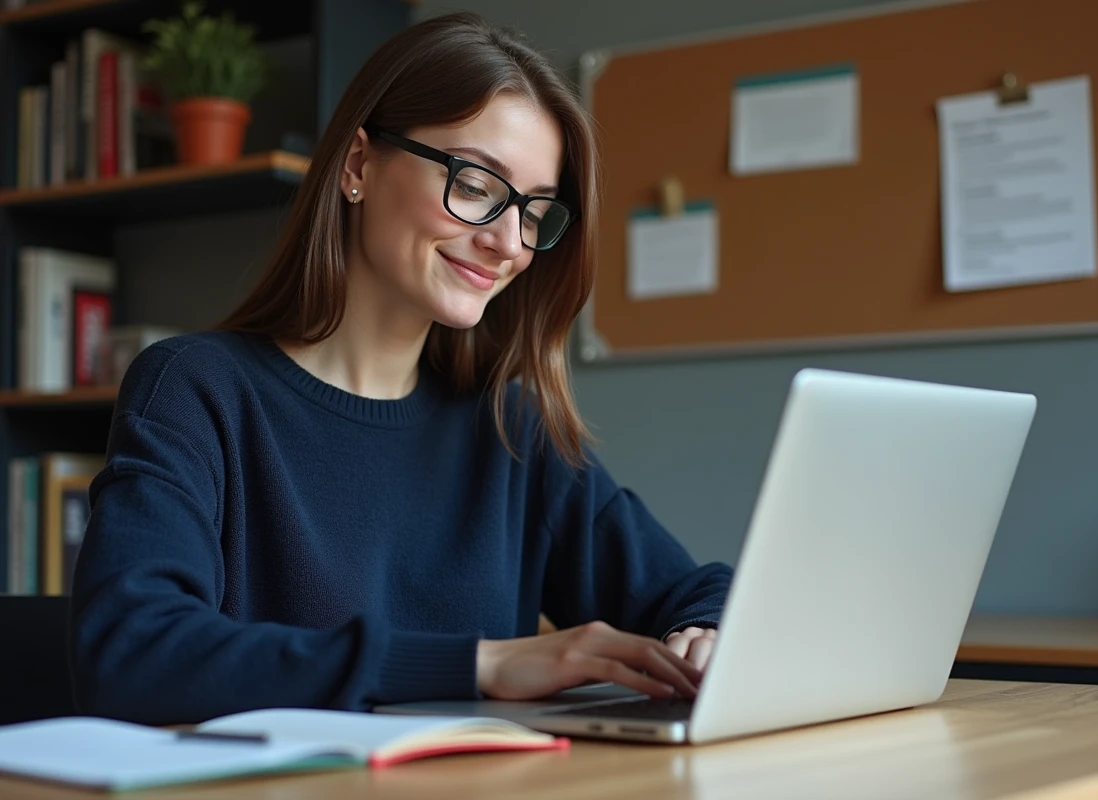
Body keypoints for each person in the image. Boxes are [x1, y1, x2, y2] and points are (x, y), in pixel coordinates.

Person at [69, 12, 731, 725]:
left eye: (535, 211)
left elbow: (697, 590)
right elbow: (132, 653)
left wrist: (705, 636)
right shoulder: (198, 391)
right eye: (477, 185)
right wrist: (480, 666)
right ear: (358, 166)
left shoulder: (509, 429)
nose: (508, 243)